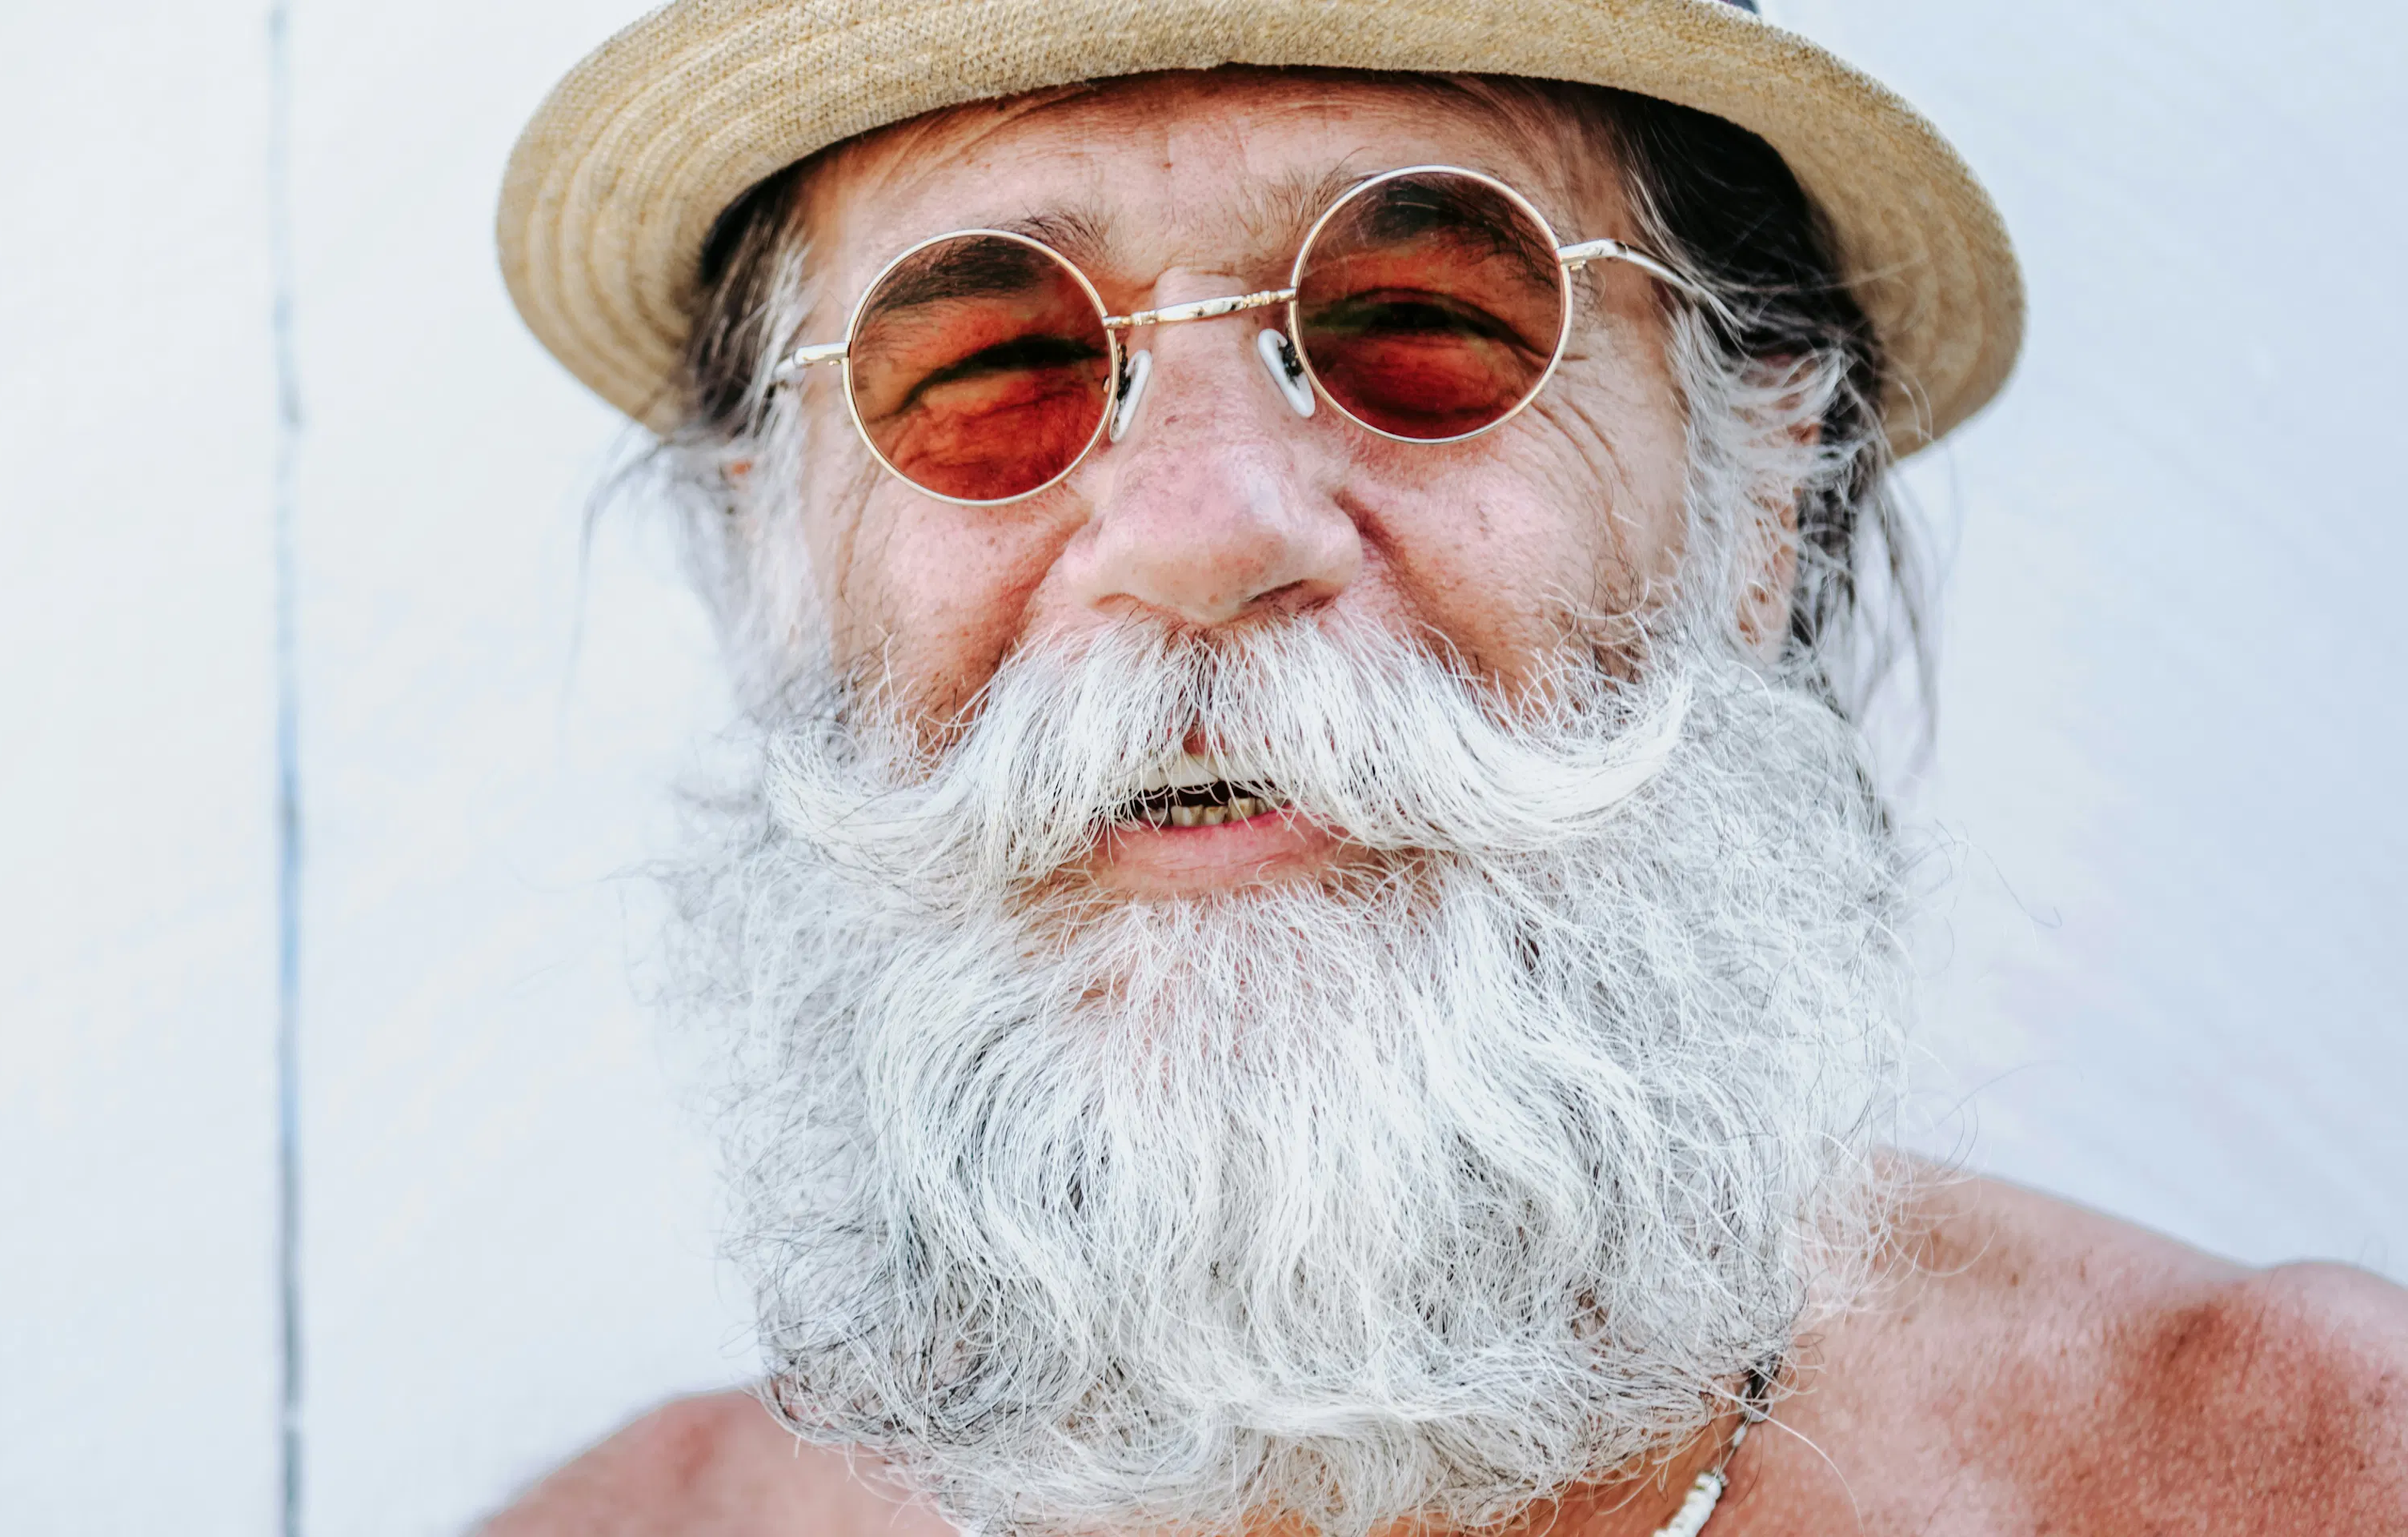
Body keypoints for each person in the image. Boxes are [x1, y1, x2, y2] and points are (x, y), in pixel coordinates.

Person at [483, 1, 2408, 1531]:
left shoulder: (2314, 1480)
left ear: (1760, 496)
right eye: (993, 367)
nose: (1202, 532)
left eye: (1418, 327)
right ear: (770, 555)